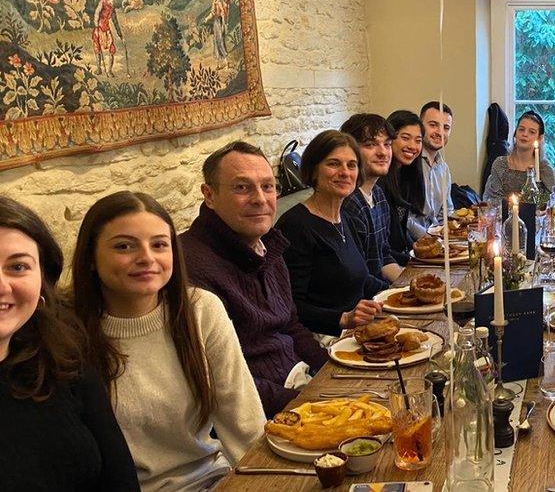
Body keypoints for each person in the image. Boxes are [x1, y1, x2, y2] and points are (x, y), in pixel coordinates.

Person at [70, 192, 264, 491]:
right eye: (124, 246)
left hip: (211, 480)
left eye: (159, 245)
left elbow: (243, 422)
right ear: (92, 258)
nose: (147, 258)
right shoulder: (66, 329)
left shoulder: (200, 309)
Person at [0, 197, 139, 491]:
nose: (2, 286)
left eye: (18, 267)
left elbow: (120, 479)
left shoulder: (62, 356)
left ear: (42, 280)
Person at [180, 141, 327, 418]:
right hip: (259, 413)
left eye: (268, 186)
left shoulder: (267, 245)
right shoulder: (191, 265)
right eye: (242, 187)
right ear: (209, 196)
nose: (260, 199)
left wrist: (332, 371)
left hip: (298, 383)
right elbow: (219, 381)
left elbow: (291, 324)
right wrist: (307, 403)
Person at [277, 130, 385, 336]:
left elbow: (361, 279)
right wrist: (344, 318)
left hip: (358, 331)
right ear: (313, 170)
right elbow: (289, 307)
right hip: (325, 339)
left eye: (351, 165)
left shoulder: (345, 218)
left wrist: (399, 292)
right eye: (334, 164)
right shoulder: (295, 226)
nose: (345, 172)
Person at [340, 114, 402, 283]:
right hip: (366, 300)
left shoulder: (379, 195)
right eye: (370, 145)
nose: (383, 152)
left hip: (381, 288)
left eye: (387, 144)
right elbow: (361, 277)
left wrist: (408, 281)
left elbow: (383, 255)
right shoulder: (349, 203)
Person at [379, 110, 426, 266]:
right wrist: (414, 261)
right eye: (405, 138)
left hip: (401, 258)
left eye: (418, 140)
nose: (413, 146)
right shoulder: (379, 182)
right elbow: (382, 246)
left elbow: (401, 231)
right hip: (388, 265)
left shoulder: (406, 176)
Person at [407, 101, 454, 241]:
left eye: (446, 127)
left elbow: (446, 213)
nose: (440, 132)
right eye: (433, 125)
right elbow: (404, 219)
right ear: (420, 127)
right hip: (412, 244)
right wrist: (429, 239)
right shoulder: (409, 162)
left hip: (437, 242)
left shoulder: (444, 168)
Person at [484, 110, 555, 200]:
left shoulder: (544, 167)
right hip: (503, 213)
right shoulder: (500, 164)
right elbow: (493, 200)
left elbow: (551, 201)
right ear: (515, 134)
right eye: (521, 129)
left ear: (539, 138)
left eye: (532, 132)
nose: (525, 134)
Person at [91, 0, 124, 76]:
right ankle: (98, 69)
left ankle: (109, 70)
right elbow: (97, 13)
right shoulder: (102, 3)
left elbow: (116, 22)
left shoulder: (112, 10)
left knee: (111, 49)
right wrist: (96, 24)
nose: (113, 0)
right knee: (97, 48)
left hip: (106, 29)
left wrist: (121, 36)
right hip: (99, 28)